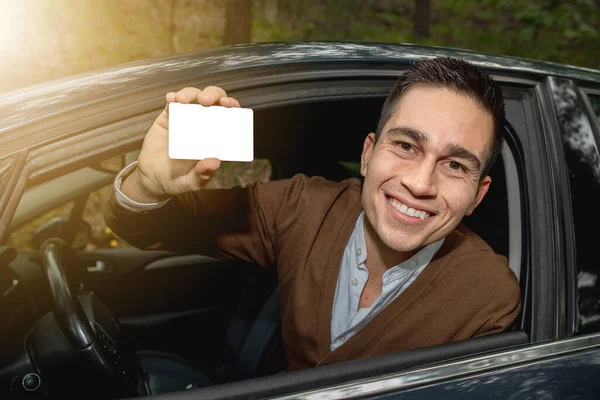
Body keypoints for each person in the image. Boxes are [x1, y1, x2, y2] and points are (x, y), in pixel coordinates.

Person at [105, 57, 521, 375]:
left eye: (455, 166)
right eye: (407, 147)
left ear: (477, 196)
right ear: (367, 153)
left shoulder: (488, 299)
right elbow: (152, 226)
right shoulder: (302, 207)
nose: (420, 183)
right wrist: (149, 183)